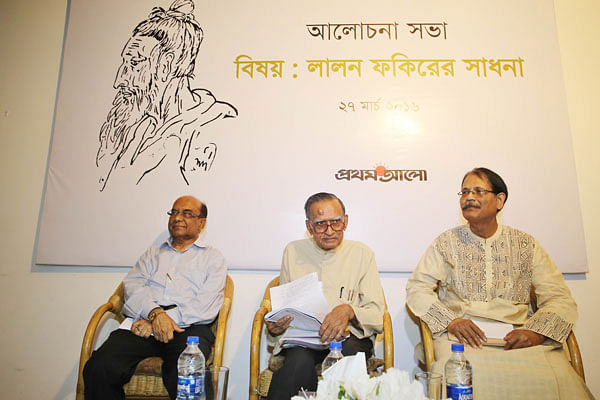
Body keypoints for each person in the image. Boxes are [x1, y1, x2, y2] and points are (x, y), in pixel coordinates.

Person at [406, 167, 593, 399]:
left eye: (478, 191)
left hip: (520, 340)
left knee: (560, 380)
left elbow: (559, 297)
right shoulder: (446, 243)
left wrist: (535, 333)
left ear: (500, 200)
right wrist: (451, 322)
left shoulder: (526, 245)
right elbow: (417, 288)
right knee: (459, 373)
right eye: (464, 192)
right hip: (463, 341)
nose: (469, 197)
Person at [83, 195, 227, 400]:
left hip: (189, 328)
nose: (178, 218)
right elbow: (132, 288)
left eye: (187, 213)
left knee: (188, 374)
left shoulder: (213, 258)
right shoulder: (152, 255)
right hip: (143, 322)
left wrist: (162, 321)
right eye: (174, 212)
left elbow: (205, 305)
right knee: (100, 367)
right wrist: (154, 314)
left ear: (201, 223)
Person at [96, 0, 237, 191]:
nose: (120, 79)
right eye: (124, 63)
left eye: (135, 63)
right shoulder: (141, 129)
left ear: (166, 65)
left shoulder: (216, 126)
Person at [266, 192, 386, 400]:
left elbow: (377, 316)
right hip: (304, 340)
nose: (329, 231)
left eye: (336, 222)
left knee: (345, 359)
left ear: (345, 221)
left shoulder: (362, 253)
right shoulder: (293, 251)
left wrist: (348, 310)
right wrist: (276, 326)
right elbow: (284, 307)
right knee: (297, 364)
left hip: (350, 339)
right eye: (321, 224)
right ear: (309, 226)